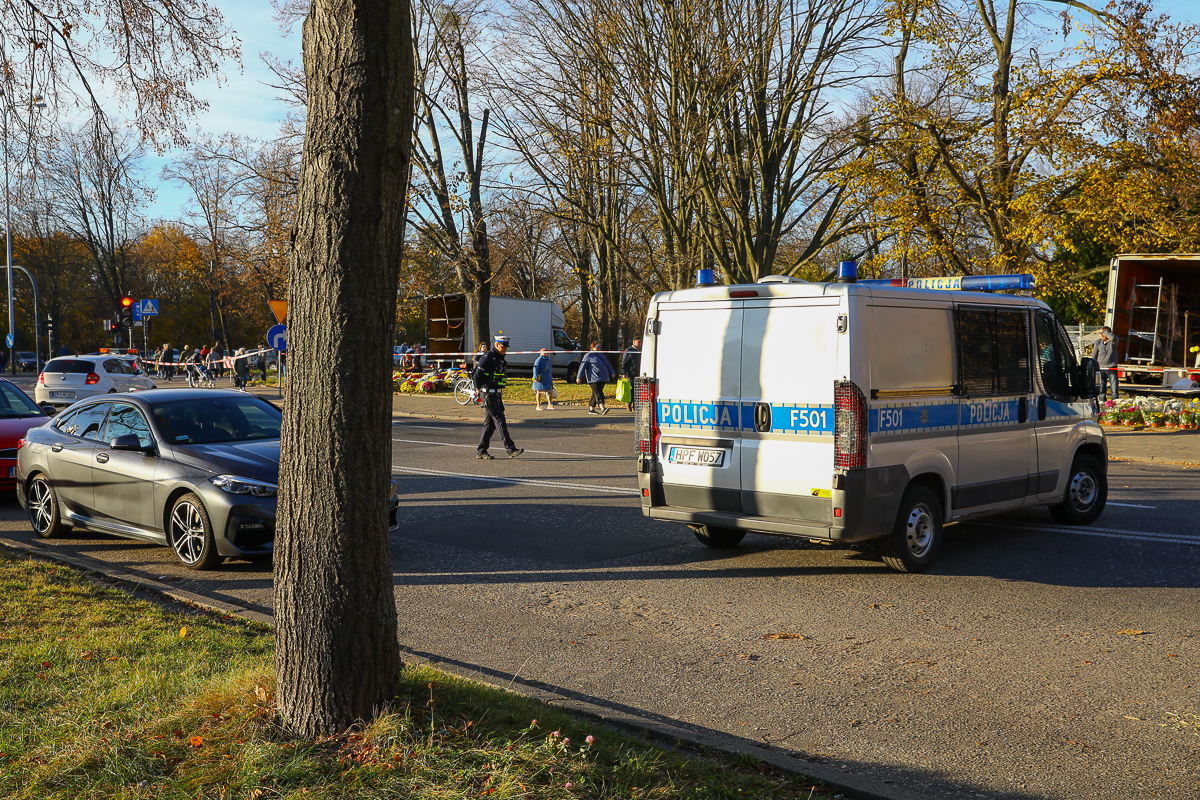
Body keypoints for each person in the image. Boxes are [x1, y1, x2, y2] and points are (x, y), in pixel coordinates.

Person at [473, 335, 523, 460]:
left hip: (496, 393)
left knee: (489, 424)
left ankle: (481, 451)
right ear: (496, 345)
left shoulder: (500, 358)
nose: (505, 349)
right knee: (500, 420)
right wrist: (478, 389)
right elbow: (477, 375)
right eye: (503, 346)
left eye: (506, 346)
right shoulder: (488, 357)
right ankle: (510, 449)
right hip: (488, 393)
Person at [576, 341, 616, 415]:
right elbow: (582, 366)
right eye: (597, 347)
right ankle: (603, 408)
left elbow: (608, 364)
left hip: (602, 377)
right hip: (593, 378)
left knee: (595, 393)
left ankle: (591, 409)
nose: (599, 348)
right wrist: (579, 377)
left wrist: (612, 372)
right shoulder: (588, 355)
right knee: (599, 393)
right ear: (592, 347)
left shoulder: (602, 355)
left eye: (600, 346)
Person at [1094, 326, 1119, 402]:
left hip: (1111, 368)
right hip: (1101, 368)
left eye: (1104, 333)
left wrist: (1103, 331)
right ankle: (1102, 402)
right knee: (1101, 389)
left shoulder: (1113, 341)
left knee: (1114, 389)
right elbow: (1094, 355)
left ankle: (1115, 403)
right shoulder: (1098, 342)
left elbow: (1114, 337)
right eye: (1101, 333)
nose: (1102, 335)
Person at [621, 338, 642, 411]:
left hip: (640, 373)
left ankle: (635, 405)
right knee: (633, 388)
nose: (639, 343)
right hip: (631, 373)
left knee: (638, 389)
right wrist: (624, 372)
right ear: (634, 342)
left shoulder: (640, 350)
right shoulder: (629, 350)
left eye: (640, 342)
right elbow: (625, 362)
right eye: (638, 342)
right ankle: (629, 402)